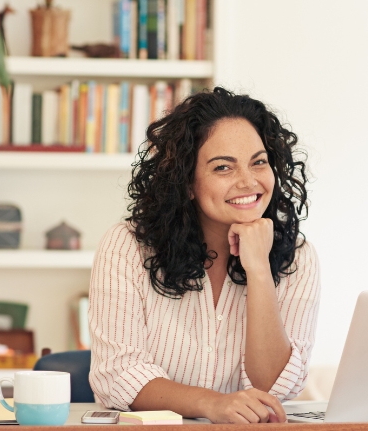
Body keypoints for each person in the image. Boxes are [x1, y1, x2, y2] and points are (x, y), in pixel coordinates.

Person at [88, 87, 320, 424]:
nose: (248, 181)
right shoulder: (127, 246)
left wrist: (258, 270)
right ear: (187, 183)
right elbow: (118, 375)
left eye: (259, 162)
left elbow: (272, 387)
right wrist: (212, 404)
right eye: (223, 168)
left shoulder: (297, 258)